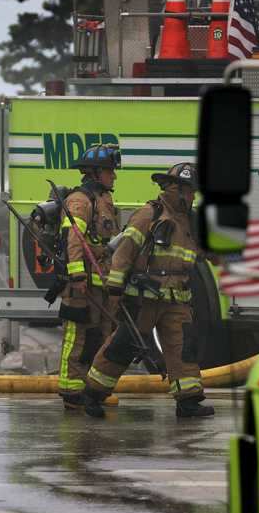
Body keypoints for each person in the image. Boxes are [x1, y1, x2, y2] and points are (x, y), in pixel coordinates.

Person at [84, 162, 215, 418]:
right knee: (123, 346)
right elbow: (124, 254)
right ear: (174, 189)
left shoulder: (190, 222)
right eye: (189, 191)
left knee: (183, 348)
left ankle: (188, 401)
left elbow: (207, 252)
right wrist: (115, 289)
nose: (192, 197)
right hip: (144, 298)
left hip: (177, 299)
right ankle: (93, 394)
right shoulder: (148, 215)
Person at [57, 144, 120, 410]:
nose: (114, 176)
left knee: (101, 335)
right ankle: (71, 391)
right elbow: (73, 240)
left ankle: (91, 388)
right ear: (95, 173)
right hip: (83, 284)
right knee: (78, 337)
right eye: (109, 171)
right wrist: (77, 276)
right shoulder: (80, 201)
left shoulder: (104, 199)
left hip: (101, 282)